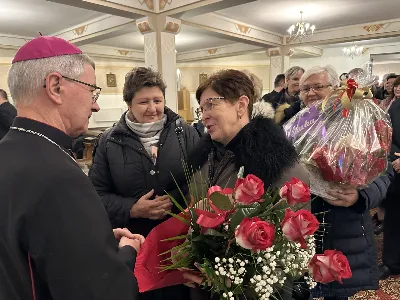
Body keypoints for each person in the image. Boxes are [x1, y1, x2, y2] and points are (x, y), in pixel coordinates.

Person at [0, 36, 145, 300]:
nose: (96, 104)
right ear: (56, 87)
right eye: (92, 90)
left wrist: (93, 239)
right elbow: (103, 292)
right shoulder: (58, 176)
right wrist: (128, 250)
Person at [187, 69, 309, 300]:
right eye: (201, 108)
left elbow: (290, 252)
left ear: (242, 105)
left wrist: (230, 281)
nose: (204, 115)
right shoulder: (205, 156)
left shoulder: (279, 166)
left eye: (211, 105)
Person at [89, 66, 200, 300]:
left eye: (157, 100)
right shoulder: (109, 142)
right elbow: (96, 195)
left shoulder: (185, 134)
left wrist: (174, 200)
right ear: (128, 104)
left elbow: (201, 181)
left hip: (180, 242)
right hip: (135, 243)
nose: (153, 109)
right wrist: (132, 208)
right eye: (143, 102)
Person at [294, 66, 392, 300]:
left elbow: (384, 173)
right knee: (300, 289)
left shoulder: (357, 120)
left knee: (337, 291)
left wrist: (361, 197)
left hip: (344, 226)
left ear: (335, 88)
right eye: (305, 88)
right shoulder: (296, 124)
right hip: (302, 224)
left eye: (318, 86)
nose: (311, 93)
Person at [380, 76, 400, 280]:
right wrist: (394, 156)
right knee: (394, 219)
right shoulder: (396, 107)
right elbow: (387, 136)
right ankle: (392, 262)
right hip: (398, 170)